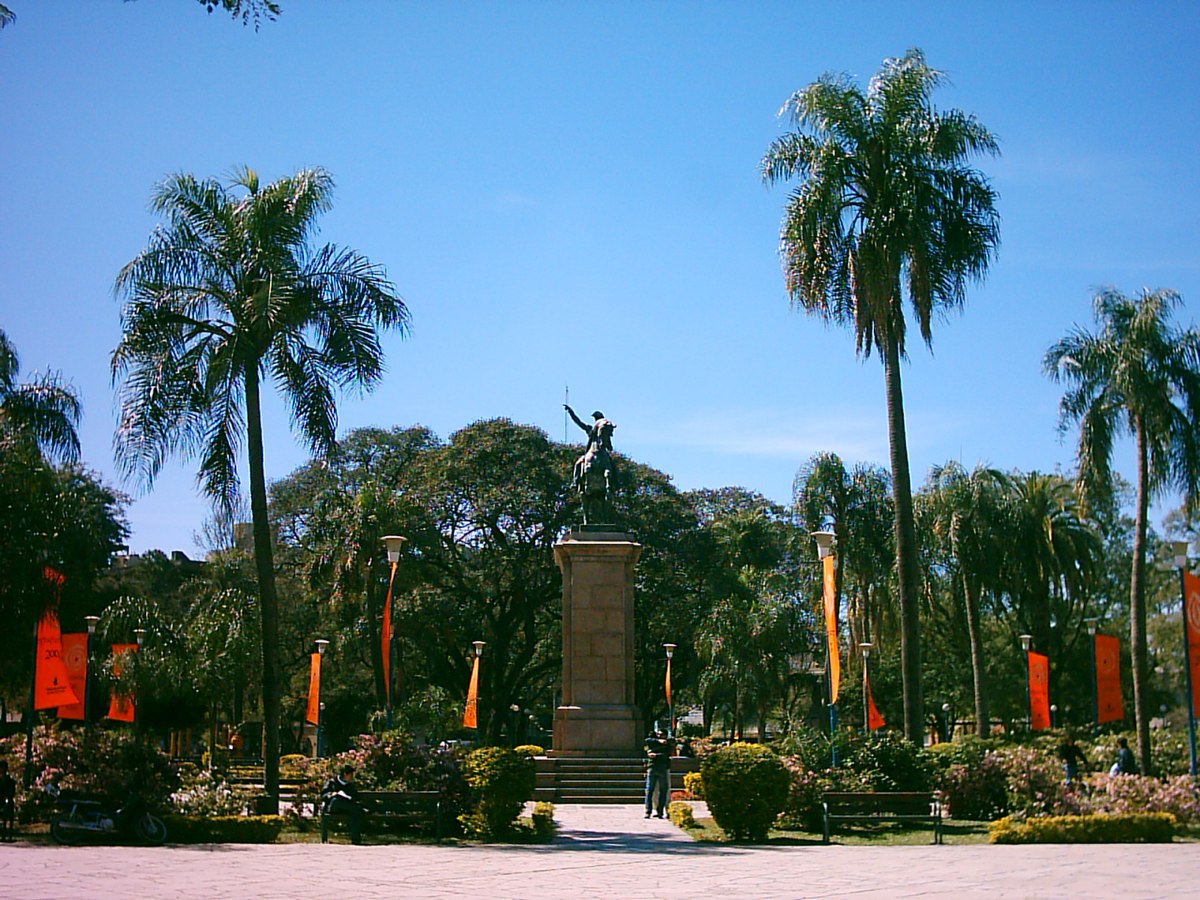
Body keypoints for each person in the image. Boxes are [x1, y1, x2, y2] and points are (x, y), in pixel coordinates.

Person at [321, 764, 364, 844]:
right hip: (333, 808)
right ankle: (359, 809)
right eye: (350, 775)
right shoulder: (332, 782)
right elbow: (323, 795)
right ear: (345, 774)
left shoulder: (350, 785)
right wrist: (331, 794)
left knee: (354, 811)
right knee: (337, 801)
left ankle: (356, 840)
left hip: (347, 809)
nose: (352, 777)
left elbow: (355, 797)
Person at [643, 728, 671, 819]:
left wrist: (655, 755)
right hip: (652, 768)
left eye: (662, 734)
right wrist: (658, 740)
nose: (659, 736)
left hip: (663, 768)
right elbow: (646, 741)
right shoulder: (653, 741)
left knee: (663, 791)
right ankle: (648, 811)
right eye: (658, 734)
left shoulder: (668, 743)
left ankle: (660, 811)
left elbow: (666, 754)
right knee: (649, 790)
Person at [0, 759, 15, 842]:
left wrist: (8, 797)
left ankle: (9, 834)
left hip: (7, 800)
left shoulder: (10, 781)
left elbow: (11, 792)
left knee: (8, 809)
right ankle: (2, 834)